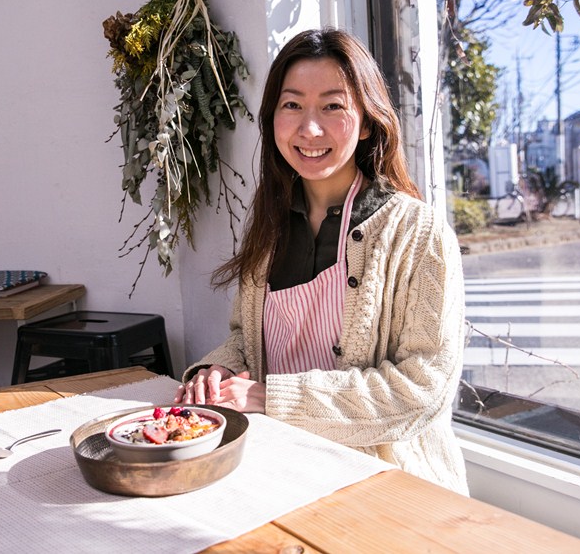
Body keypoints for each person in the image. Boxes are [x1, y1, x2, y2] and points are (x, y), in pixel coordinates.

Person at [173, 28, 469, 495]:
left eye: (333, 106)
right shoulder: (270, 223)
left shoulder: (418, 233)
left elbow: (422, 389)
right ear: (272, 117)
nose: (310, 129)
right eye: (292, 105)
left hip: (387, 484)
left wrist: (275, 399)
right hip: (278, 465)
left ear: (368, 121)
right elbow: (245, 340)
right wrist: (221, 371)